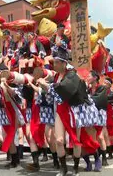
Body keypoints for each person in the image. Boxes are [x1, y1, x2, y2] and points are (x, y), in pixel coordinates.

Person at [37, 47, 100, 176]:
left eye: (56, 62)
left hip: (73, 111)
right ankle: (63, 168)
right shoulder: (55, 77)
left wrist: (46, 85)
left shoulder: (72, 75)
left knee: (76, 141)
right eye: (54, 62)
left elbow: (63, 92)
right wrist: (44, 87)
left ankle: (76, 168)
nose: (54, 64)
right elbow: (52, 95)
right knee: (59, 140)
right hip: (60, 110)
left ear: (64, 63)